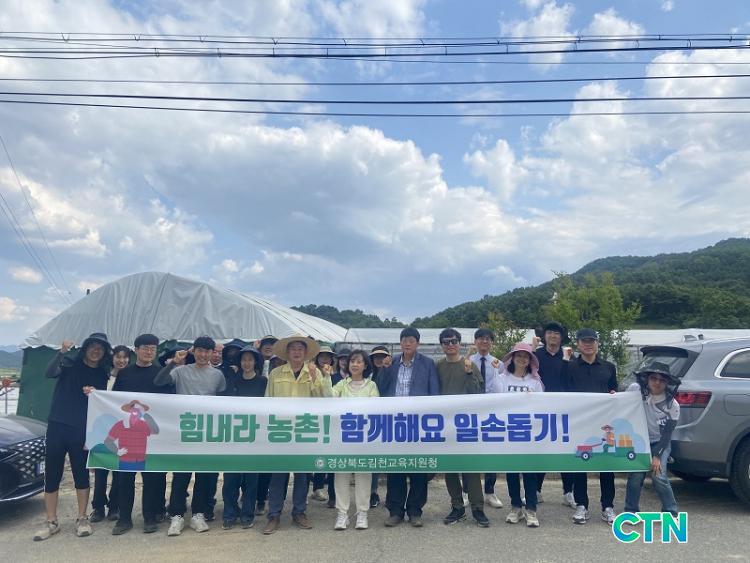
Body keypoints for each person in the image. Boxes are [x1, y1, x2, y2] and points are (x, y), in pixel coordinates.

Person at [33, 333, 112, 541]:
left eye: (101, 348)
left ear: (104, 353)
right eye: (92, 346)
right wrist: (61, 352)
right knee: (52, 474)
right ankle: (51, 521)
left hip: (82, 429)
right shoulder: (68, 363)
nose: (96, 350)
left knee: (81, 474)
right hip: (58, 425)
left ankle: (82, 518)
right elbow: (49, 372)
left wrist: (94, 393)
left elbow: (103, 403)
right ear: (85, 348)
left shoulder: (103, 374)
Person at [155, 336, 226, 536]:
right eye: (200, 350)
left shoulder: (218, 375)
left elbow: (224, 402)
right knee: (181, 475)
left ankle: (198, 514)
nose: (203, 355)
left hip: (206, 432)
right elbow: (159, 382)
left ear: (212, 353)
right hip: (184, 431)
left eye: (207, 351)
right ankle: (176, 515)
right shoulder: (180, 371)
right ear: (193, 351)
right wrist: (173, 363)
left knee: (203, 475)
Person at [262, 334, 332, 535]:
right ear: (287, 352)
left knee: (302, 475)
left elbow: (324, 400)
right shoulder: (276, 373)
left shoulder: (314, 373)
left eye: (300, 349)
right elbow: (267, 401)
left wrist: (315, 378)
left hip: (304, 430)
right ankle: (274, 515)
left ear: (306, 353)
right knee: (278, 474)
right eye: (293, 348)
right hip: (281, 430)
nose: (296, 352)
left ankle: (299, 512)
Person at [377, 327, 440, 528]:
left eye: (411, 340)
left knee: (418, 467)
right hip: (395, 423)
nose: (407, 343)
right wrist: (383, 369)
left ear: (417, 343)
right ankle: (395, 511)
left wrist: (431, 420)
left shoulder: (428, 363)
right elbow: (380, 388)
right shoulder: (392, 362)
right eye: (404, 340)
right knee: (395, 467)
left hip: (417, 423)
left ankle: (415, 511)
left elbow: (434, 393)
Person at [107, 333, 170, 535]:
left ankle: (149, 517)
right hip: (126, 439)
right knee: (125, 481)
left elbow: (171, 403)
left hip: (150, 439)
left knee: (151, 481)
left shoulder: (161, 373)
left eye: (153, 348)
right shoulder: (125, 373)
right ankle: (124, 519)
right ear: (136, 350)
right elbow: (112, 400)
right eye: (145, 348)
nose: (149, 351)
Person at [437, 329, 489, 528]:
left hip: (467, 424)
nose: (450, 345)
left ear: (459, 343)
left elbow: (478, 394)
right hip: (444, 424)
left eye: (453, 341)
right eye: (446, 342)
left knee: (471, 469)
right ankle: (457, 507)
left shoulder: (470, 365)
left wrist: (468, 373)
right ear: (442, 345)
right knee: (450, 469)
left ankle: (478, 508)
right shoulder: (438, 366)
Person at [565, 328, 618, 525]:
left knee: (607, 465)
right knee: (580, 463)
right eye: (584, 341)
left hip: (604, 423)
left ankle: (608, 506)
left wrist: (614, 396)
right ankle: (582, 505)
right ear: (578, 344)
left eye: (592, 341)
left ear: (597, 343)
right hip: (580, 422)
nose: (588, 344)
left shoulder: (609, 367)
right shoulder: (569, 367)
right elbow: (563, 394)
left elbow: (614, 391)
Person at [494, 342, 545, 528]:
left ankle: (531, 509)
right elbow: (494, 403)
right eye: (519, 355)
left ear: (530, 360)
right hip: (509, 433)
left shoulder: (535, 382)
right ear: (512, 358)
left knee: (530, 472)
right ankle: (515, 507)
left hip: (529, 434)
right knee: (512, 472)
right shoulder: (502, 379)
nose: (522, 359)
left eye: (526, 356)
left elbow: (542, 407)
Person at [331, 349, 380, 530]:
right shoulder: (341, 384)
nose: (355, 364)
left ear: (365, 365)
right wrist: (325, 378)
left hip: (364, 438)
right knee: (341, 475)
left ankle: (362, 512)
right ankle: (342, 513)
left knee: (363, 475)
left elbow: (375, 409)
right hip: (342, 437)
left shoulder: (371, 386)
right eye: (352, 361)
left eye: (359, 361)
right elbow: (328, 399)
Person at [624, 362, 680, 516]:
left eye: (662, 380)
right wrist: (613, 395)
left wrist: (657, 456)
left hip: (660, 442)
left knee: (658, 476)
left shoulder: (672, 405)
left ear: (667, 383)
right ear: (647, 379)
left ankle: (670, 512)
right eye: (653, 378)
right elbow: (621, 402)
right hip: (639, 441)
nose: (657, 382)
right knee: (636, 475)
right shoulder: (635, 390)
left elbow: (667, 434)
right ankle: (630, 511)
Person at [222, 345, 268, 530]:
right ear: (239, 362)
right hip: (233, 435)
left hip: (254, 435)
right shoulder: (233, 380)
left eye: (250, 359)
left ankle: (248, 514)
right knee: (230, 478)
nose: (247, 363)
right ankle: (229, 513)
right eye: (244, 360)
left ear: (256, 362)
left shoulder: (263, 382)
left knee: (251, 479)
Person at [533, 321, 576, 508]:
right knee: (541, 451)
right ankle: (536, 490)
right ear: (544, 336)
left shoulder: (568, 356)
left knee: (565, 451)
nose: (553, 336)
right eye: (549, 332)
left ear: (561, 337)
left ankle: (568, 492)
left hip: (564, 411)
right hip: (541, 410)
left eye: (557, 333)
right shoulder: (536, 355)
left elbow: (572, 382)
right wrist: (532, 349)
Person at [90, 344, 130, 524]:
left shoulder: (130, 377)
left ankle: (115, 506)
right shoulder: (102, 375)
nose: (121, 360)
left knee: (118, 470)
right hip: (101, 428)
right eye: (118, 357)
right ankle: (98, 507)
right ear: (112, 358)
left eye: (125, 357)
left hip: (122, 429)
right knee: (100, 470)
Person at [468, 328, 504, 510]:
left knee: (491, 452)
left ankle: (489, 491)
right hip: (472, 412)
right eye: (481, 338)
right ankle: (467, 492)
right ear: (475, 341)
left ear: (491, 342)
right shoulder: (467, 361)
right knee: (470, 451)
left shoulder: (499, 363)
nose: (484, 342)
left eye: (488, 339)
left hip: (492, 413)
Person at [310, 345, 337, 506]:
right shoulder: (312, 371)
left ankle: (321, 488)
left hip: (332, 418)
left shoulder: (336, 374)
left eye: (328, 356)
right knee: (316, 453)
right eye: (322, 356)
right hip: (314, 416)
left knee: (327, 453)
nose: (325, 359)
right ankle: (317, 487)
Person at [255, 335, 278, 515]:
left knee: (270, 463)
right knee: (255, 462)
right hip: (255, 419)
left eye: (272, 344)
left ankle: (264, 497)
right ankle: (254, 496)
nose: (269, 347)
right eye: (266, 345)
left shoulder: (280, 366)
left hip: (275, 420)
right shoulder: (252, 363)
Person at [368, 345, 391, 508]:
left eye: (382, 356)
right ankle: (372, 492)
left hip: (390, 419)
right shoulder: (367, 375)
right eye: (376, 357)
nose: (379, 360)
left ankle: (391, 495)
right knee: (373, 459)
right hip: (371, 421)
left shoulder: (392, 372)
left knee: (389, 458)